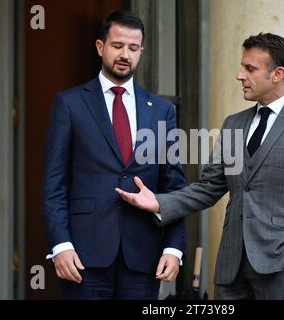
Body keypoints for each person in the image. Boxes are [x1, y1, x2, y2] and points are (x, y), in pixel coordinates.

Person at [116, 33, 284, 300]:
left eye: (250, 68)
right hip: (230, 267)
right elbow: (210, 187)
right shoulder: (234, 123)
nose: (240, 75)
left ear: (278, 73)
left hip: (281, 266)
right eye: (241, 66)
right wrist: (160, 203)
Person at [41, 10, 186, 300]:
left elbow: (174, 187)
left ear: (141, 52)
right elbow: (53, 184)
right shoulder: (69, 104)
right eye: (117, 46)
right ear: (100, 47)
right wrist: (61, 245)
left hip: (143, 258)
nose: (125, 54)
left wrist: (174, 248)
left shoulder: (161, 111)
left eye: (133, 48)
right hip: (82, 256)